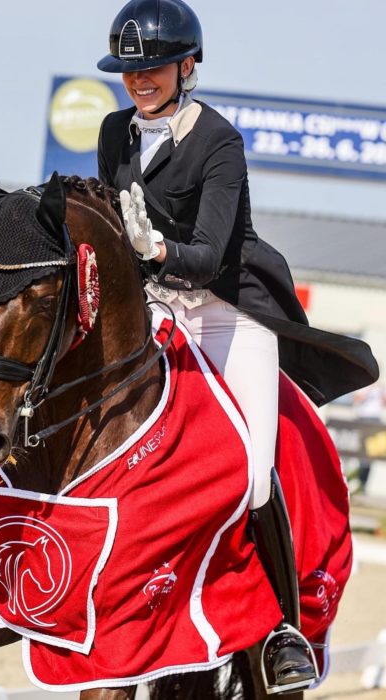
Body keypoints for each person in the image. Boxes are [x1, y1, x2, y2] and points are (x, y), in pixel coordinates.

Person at [96, 0, 379, 693]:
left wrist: (156, 247)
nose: (141, 80)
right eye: (131, 70)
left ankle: (281, 628)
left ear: (187, 66)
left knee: (250, 474)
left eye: (155, 67)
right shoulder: (113, 134)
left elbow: (210, 253)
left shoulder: (218, 140)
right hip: (156, 312)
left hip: (225, 312)